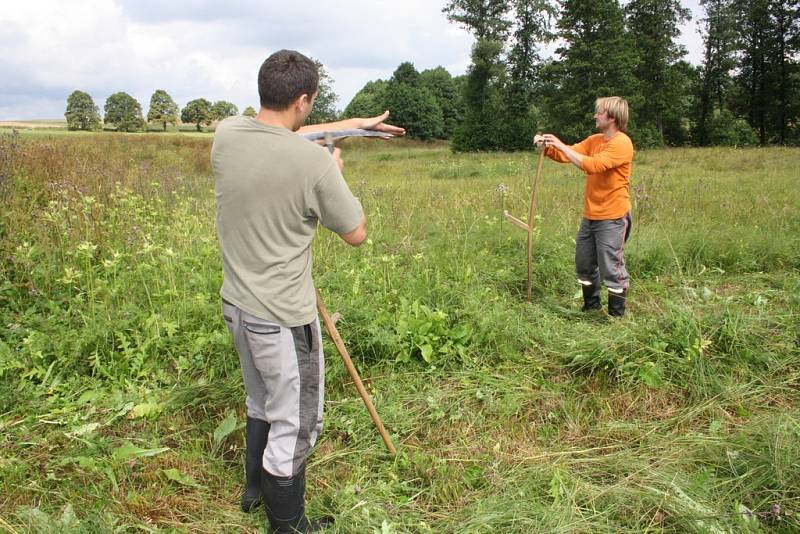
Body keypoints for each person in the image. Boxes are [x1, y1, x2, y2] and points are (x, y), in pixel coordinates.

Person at [211, 49, 404, 533]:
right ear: (302, 99)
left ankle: (254, 491)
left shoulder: (226, 133)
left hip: (237, 303)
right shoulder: (314, 164)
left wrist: (357, 124)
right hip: (282, 317)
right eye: (311, 104)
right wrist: (334, 172)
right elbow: (356, 232)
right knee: (296, 423)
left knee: (261, 402)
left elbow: (282, 133)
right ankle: (288, 526)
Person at [534, 97, 634, 317]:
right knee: (584, 265)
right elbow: (568, 154)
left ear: (612, 117)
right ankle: (591, 308)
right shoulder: (595, 140)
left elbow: (593, 165)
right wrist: (548, 147)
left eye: (599, 112)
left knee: (611, 268)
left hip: (613, 217)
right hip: (591, 215)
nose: (595, 116)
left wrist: (559, 144)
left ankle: (616, 316)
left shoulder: (621, 143)